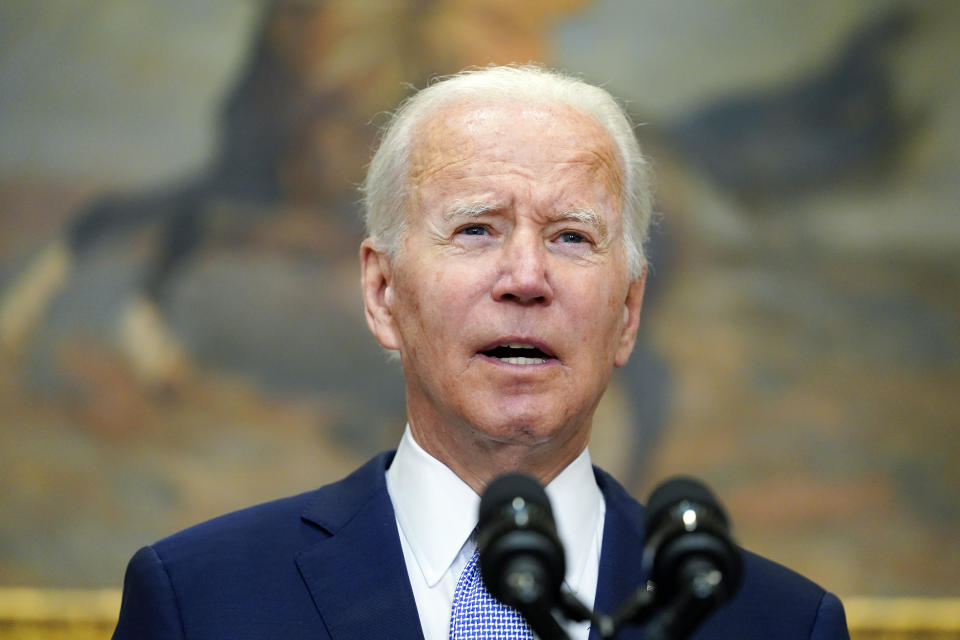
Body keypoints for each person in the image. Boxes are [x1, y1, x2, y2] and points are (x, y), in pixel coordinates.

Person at [112, 65, 849, 639]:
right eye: (475, 230)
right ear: (382, 293)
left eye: (571, 237)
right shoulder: (201, 605)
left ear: (628, 313)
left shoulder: (779, 628)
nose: (526, 279)